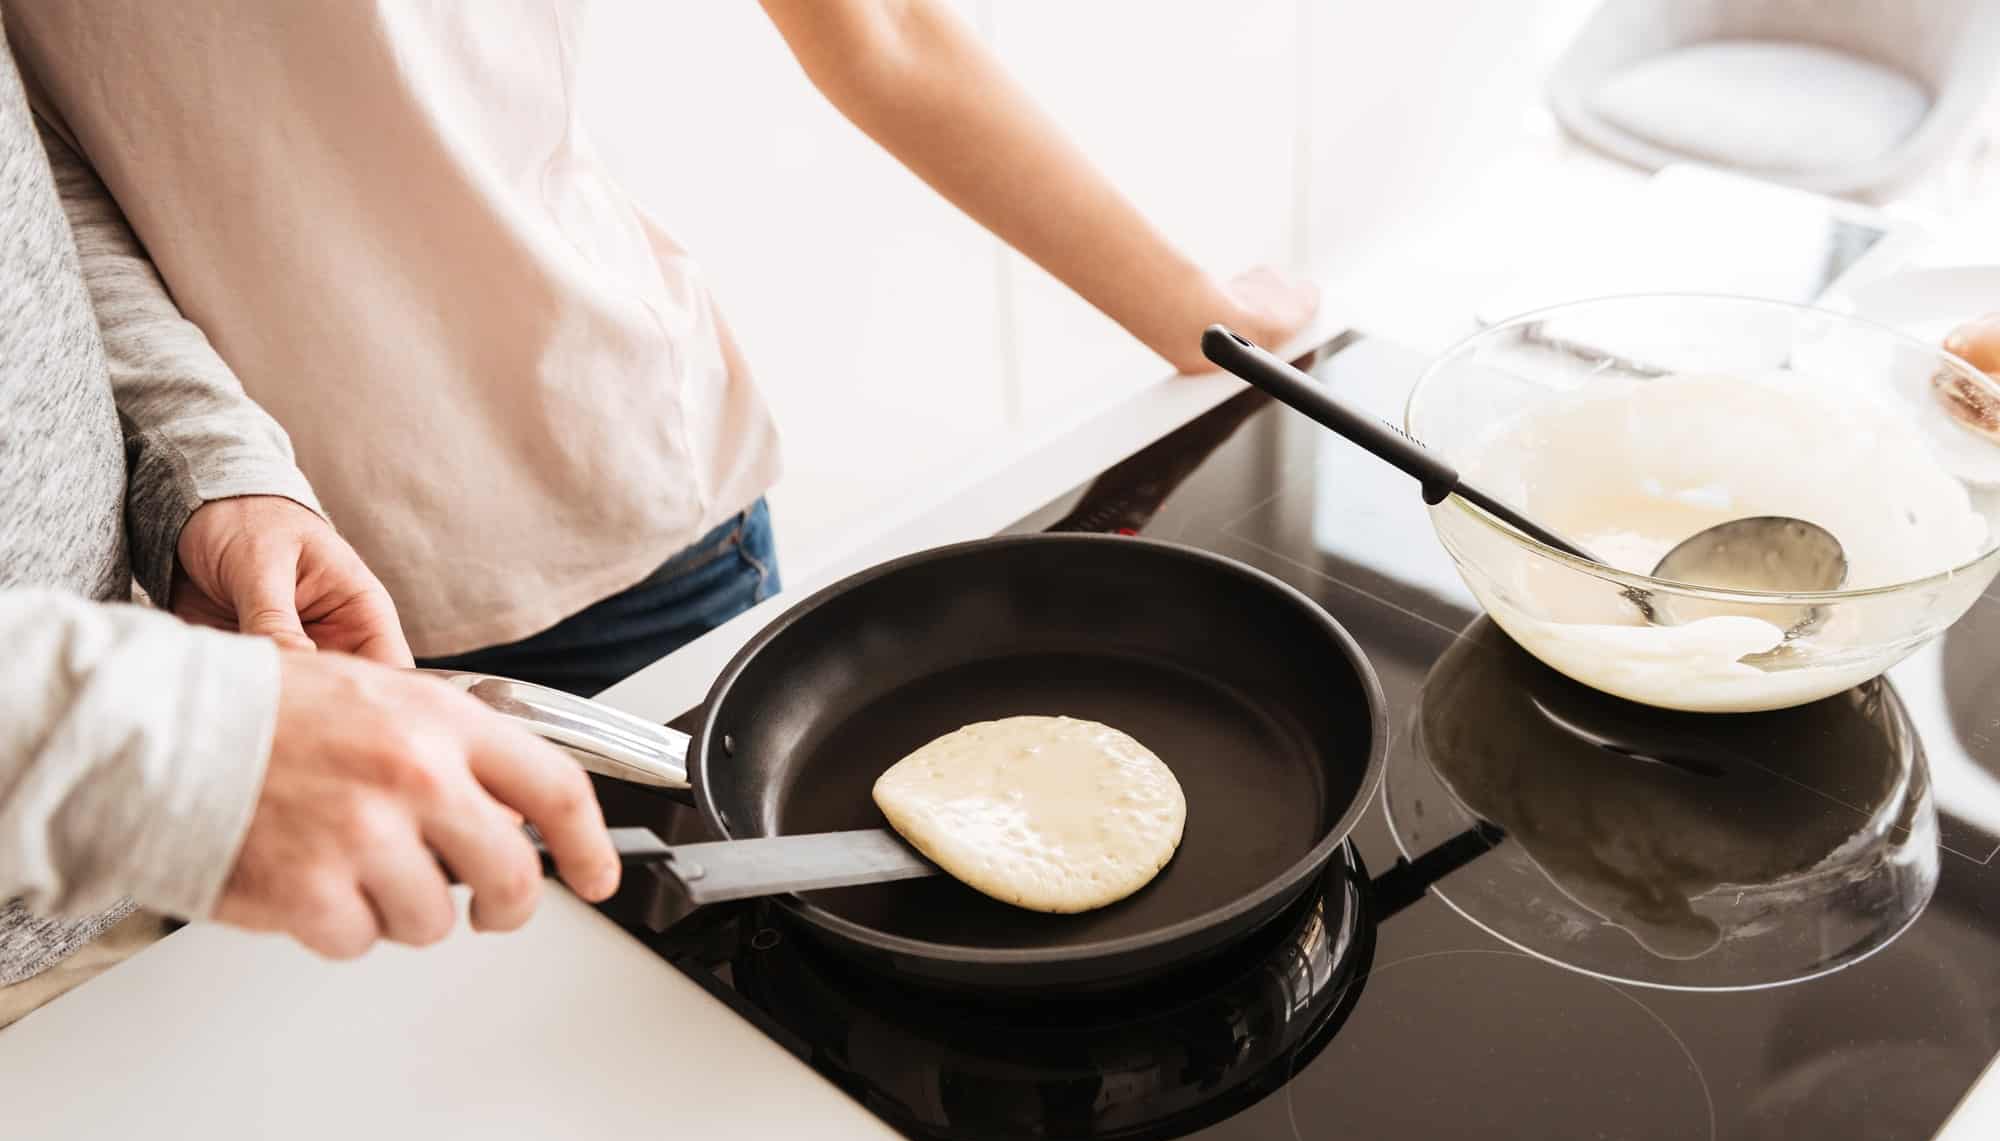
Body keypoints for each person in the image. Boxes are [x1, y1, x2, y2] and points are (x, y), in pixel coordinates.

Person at [5, 0, 1320, 698]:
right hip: (244, 619)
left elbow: (877, 31)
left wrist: (1186, 306)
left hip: (617, 533)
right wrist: (216, 470)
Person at [0, 20, 620, 1029]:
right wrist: (182, 739)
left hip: (120, 874)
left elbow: (24, 195)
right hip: (135, 790)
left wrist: (208, 467)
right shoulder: (167, 743)